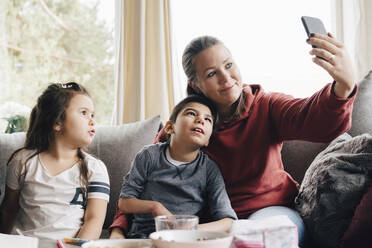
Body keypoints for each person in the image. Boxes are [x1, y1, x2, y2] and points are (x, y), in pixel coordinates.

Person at [110, 33, 357, 245]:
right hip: (213, 222)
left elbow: (315, 121)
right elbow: (140, 185)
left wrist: (343, 87)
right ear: (195, 85)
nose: (226, 78)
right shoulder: (186, 127)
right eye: (211, 73)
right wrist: (118, 232)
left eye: (228, 65)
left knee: (266, 236)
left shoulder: (267, 105)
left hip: (268, 213)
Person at [0, 82, 110, 242]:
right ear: (57, 122)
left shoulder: (95, 169)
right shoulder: (22, 161)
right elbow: (8, 210)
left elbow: (94, 220)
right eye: (84, 113)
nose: (92, 121)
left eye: (92, 115)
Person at [117, 95, 237, 238]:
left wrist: (189, 229)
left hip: (186, 240)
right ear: (169, 127)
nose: (200, 120)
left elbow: (228, 221)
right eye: (191, 113)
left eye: (208, 119)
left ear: (208, 141)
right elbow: (124, 203)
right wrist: (155, 207)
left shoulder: (209, 169)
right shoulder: (149, 155)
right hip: (144, 237)